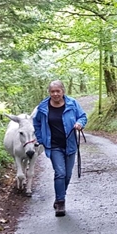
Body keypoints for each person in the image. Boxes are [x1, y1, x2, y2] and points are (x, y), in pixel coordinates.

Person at [33, 80, 87, 217]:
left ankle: (59, 196)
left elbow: (82, 116)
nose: (55, 94)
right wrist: (40, 139)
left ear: (63, 91)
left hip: (70, 144)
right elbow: (36, 123)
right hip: (54, 146)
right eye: (52, 91)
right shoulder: (43, 107)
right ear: (49, 92)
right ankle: (61, 202)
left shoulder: (72, 103)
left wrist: (79, 123)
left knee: (67, 175)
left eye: (58, 91)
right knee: (60, 173)